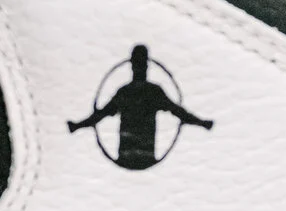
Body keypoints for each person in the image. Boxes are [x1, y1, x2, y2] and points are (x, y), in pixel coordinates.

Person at [68, 44, 214, 168]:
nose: (139, 67)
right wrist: (202, 123)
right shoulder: (146, 91)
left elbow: (100, 115)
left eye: (140, 63)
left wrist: (78, 126)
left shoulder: (133, 91)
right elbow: (179, 113)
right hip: (141, 155)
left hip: (132, 155)